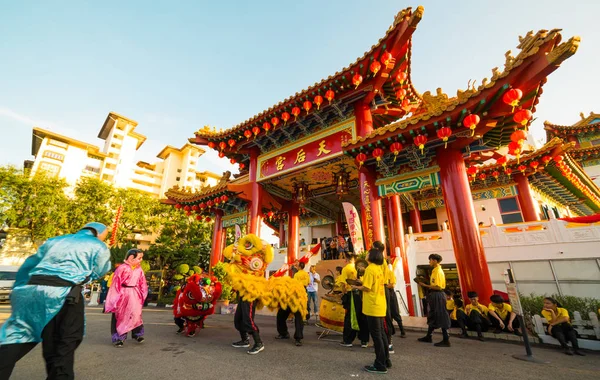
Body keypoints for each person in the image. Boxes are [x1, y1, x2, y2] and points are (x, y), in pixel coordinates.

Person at [0, 222, 111, 380]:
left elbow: (29, 264)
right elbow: (101, 270)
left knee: (18, 337)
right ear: (99, 234)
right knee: (65, 341)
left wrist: (18, 290)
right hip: (62, 293)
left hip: (30, 289)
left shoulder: (55, 240)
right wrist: (84, 276)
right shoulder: (97, 245)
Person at [352, 248, 390, 374]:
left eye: (368, 253)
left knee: (376, 336)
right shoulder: (379, 269)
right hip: (380, 304)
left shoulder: (369, 269)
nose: (366, 254)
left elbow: (367, 288)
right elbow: (372, 285)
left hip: (372, 306)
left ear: (371, 256)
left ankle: (380, 365)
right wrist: (361, 282)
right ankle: (386, 360)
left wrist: (356, 286)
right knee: (382, 334)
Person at [104, 248, 148, 347]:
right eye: (139, 258)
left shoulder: (139, 269)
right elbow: (116, 284)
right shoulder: (122, 268)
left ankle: (137, 334)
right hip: (123, 294)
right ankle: (119, 338)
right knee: (120, 316)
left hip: (135, 294)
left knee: (136, 314)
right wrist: (115, 298)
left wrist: (142, 294)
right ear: (131, 257)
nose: (141, 260)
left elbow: (143, 283)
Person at [417, 253, 451, 347]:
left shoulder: (437, 271)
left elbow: (438, 287)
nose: (429, 262)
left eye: (430, 260)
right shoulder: (435, 270)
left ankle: (446, 339)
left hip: (437, 295)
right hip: (435, 295)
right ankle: (429, 336)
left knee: (440, 315)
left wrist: (425, 285)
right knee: (433, 315)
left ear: (435, 260)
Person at [338, 253, 369, 348]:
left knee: (350, 317)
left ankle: (348, 340)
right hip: (363, 294)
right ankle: (364, 340)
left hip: (352, 294)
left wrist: (343, 293)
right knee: (363, 316)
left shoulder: (346, 268)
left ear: (346, 259)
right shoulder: (363, 267)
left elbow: (343, 283)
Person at [276, 262, 309, 346]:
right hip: (300, 297)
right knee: (298, 318)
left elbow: (296, 286)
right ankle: (298, 338)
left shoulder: (297, 275)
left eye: (295, 265)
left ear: (298, 267)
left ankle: (284, 333)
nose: (294, 266)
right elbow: (307, 284)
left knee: (282, 315)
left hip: (295, 297)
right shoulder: (306, 274)